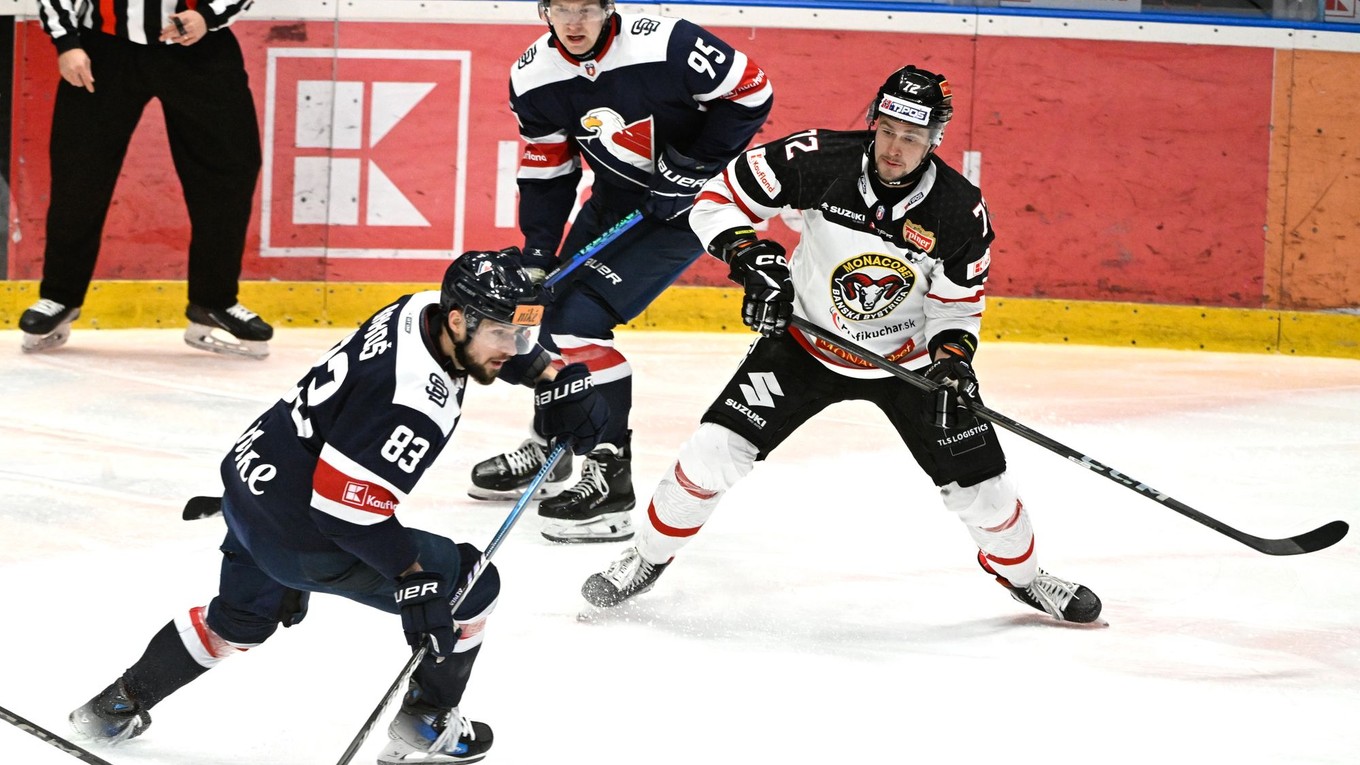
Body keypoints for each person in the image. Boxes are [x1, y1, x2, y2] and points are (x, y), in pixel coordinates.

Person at [579, 65, 1103, 624]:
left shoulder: (957, 209)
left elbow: (956, 304)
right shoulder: (815, 160)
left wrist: (953, 363)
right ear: (874, 121)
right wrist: (750, 259)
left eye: (913, 137)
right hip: (804, 343)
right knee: (711, 454)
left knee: (987, 495)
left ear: (934, 140)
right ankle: (644, 558)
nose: (895, 147)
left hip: (909, 363)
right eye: (888, 129)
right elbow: (715, 202)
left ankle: (1027, 579)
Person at [66, 249, 609, 764]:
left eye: (521, 332)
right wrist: (413, 578)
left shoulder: (421, 306)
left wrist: (552, 375)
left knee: (239, 621)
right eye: (501, 334)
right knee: (473, 585)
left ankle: (113, 707)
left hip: (253, 475)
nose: (513, 348)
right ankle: (428, 721)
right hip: (307, 528)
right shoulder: (413, 403)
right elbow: (344, 511)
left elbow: (502, 348)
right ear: (459, 321)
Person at [467, 0, 774, 544]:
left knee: (578, 325)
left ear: (609, 6)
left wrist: (695, 164)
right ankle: (553, 448)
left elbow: (751, 92)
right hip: (615, 199)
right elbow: (548, 163)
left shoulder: (667, 42)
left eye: (587, 7)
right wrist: (539, 250)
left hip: (694, 206)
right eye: (561, 9)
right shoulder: (533, 75)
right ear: (545, 12)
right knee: (539, 314)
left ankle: (610, 486)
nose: (575, 22)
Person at [24, 1, 271, 358]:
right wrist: (67, 41)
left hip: (198, 46)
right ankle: (59, 296)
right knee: (79, 173)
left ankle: (214, 301)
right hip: (102, 47)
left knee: (228, 172)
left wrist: (207, 15)